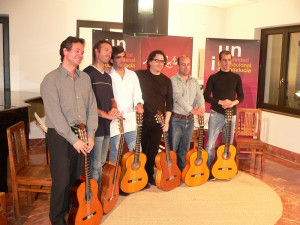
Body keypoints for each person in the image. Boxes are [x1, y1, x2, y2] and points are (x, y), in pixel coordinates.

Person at [40, 36, 98, 225]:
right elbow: (55, 117)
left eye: (82, 52)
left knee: (76, 181)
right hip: (60, 136)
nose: (81, 55)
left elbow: (91, 107)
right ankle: (57, 220)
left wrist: (90, 134)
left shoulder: (85, 78)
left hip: (82, 135)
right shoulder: (51, 80)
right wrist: (75, 140)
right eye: (77, 51)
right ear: (65, 51)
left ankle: (72, 214)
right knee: (62, 182)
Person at [83, 40, 122, 188]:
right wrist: (105, 115)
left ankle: (99, 194)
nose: (109, 54)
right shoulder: (87, 74)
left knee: (101, 163)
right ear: (96, 52)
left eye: (110, 51)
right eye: (106, 50)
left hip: (107, 127)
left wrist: (114, 109)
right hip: (95, 128)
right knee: (95, 165)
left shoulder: (107, 77)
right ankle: (92, 197)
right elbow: (87, 104)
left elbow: (112, 99)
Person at [136, 50, 173, 188]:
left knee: (152, 151)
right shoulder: (139, 75)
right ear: (150, 61)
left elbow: (169, 103)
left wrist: (167, 122)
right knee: (142, 150)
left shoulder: (166, 81)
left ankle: (149, 175)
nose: (160, 63)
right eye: (157, 60)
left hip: (159, 121)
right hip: (141, 121)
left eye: (162, 61)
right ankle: (139, 175)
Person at [204, 50, 244, 170]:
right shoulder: (213, 77)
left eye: (229, 60)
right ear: (219, 61)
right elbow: (206, 96)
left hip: (231, 115)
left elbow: (241, 96)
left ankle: (225, 168)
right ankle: (208, 169)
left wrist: (233, 103)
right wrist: (220, 102)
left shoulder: (236, 77)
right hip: (216, 114)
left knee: (228, 145)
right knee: (210, 145)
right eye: (224, 60)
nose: (227, 62)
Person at [168, 55, 205, 172]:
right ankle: (171, 173)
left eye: (188, 64)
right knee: (173, 150)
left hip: (190, 120)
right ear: (178, 66)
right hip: (176, 120)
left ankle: (182, 172)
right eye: (183, 64)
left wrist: (201, 107)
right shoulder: (173, 80)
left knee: (184, 150)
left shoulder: (194, 81)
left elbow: (200, 97)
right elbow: (178, 97)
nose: (186, 67)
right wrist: (192, 109)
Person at [108, 46, 144, 163]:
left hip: (130, 118)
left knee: (136, 149)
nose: (123, 60)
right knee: (116, 150)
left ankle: (134, 178)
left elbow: (138, 93)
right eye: (119, 57)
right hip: (114, 119)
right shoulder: (107, 76)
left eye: (124, 57)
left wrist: (139, 104)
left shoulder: (132, 75)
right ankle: (114, 178)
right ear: (112, 60)